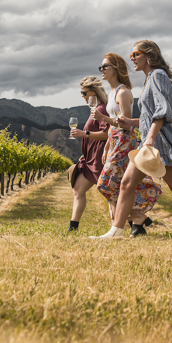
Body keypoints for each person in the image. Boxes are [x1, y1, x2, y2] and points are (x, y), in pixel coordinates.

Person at [93, 40, 172, 242]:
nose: (132, 58)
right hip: (150, 142)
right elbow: (148, 118)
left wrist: (150, 138)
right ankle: (116, 231)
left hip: (161, 144)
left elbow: (162, 112)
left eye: (136, 54)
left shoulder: (158, 76)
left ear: (149, 55)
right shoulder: (150, 78)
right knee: (126, 183)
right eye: (132, 55)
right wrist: (131, 122)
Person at [93, 53, 162, 236]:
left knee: (105, 184)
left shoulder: (123, 92)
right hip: (115, 140)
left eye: (105, 66)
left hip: (124, 140)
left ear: (115, 68)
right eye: (100, 67)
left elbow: (126, 122)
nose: (101, 70)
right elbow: (112, 125)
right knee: (116, 184)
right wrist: (107, 145)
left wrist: (103, 118)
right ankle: (135, 220)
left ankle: (130, 220)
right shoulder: (112, 93)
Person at [68, 76, 110, 232]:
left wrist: (83, 133)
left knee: (110, 192)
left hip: (99, 159)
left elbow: (106, 134)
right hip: (90, 159)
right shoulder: (95, 109)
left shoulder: (101, 109)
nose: (82, 96)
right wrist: (85, 153)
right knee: (78, 190)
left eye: (84, 93)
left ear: (93, 92)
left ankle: (138, 220)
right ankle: (73, 227)